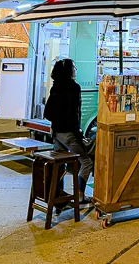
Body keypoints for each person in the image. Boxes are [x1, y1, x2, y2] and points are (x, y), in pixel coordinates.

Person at [44, 59, 93, 205]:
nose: (76, 70)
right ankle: (80, 195)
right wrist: (78, 133)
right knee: (86, 162)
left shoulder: (55, 87)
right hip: (69, 133)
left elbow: (48, 112)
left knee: (60, 163)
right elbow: (74, 113)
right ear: (70, 71)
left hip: (56, 132)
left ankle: (57, 197)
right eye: (74, 67)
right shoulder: (74, 88)